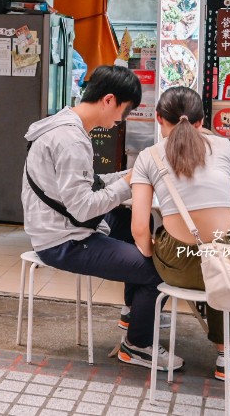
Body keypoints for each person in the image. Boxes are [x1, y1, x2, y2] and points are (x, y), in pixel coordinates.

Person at [21, 65, 179, 370]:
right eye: (125, 110)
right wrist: (128, 183)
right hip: (63, 241)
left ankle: (134, 313)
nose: (121, 119)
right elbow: (82, 207)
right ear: (109, 100)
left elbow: (86, 186)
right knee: (157, 268)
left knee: (140, 225)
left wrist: (130, 176)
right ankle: (138, 346)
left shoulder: (63, 125)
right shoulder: (72, 141)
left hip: (58, 227)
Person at [130, 86, 230, 381]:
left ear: (157, 118)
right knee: (222, 252)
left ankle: (132, 321)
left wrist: (157, 256)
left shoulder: (147, 157)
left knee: (211, 254)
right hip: (222, 268)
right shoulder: (225, 148)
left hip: (175, 268)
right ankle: (227, 355)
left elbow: (140, 228)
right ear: (202, 122)